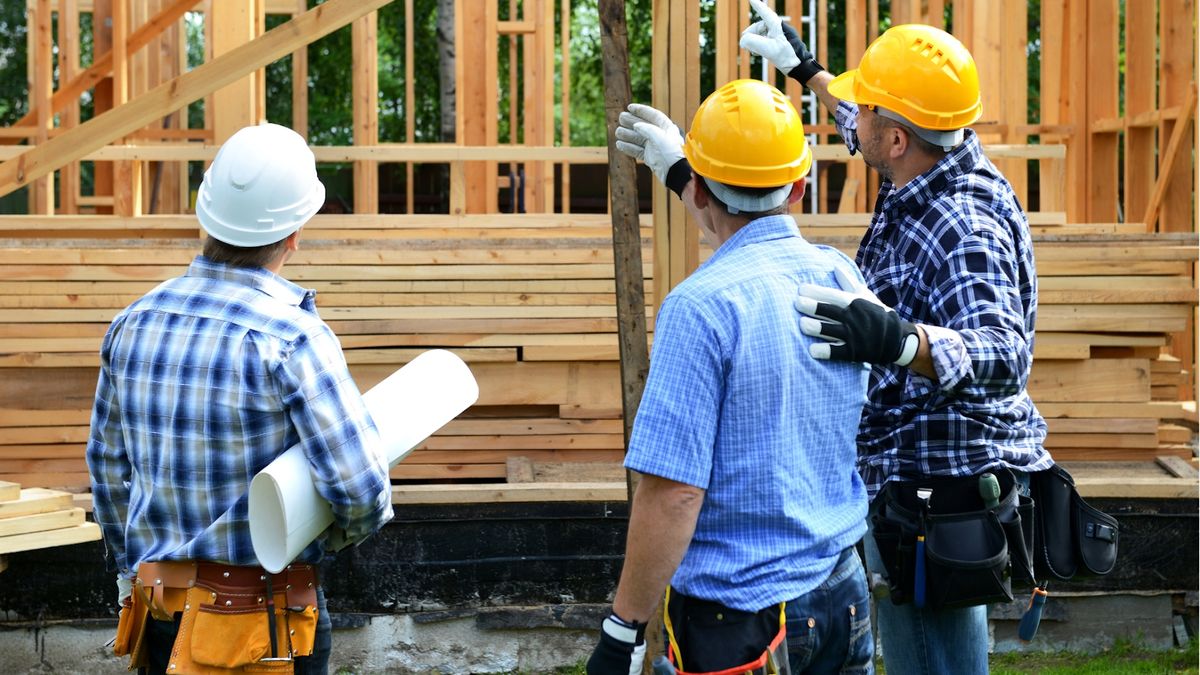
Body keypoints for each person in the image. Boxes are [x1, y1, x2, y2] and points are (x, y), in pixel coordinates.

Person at [740, 3, 1054, 673]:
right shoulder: (924, 157)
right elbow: (871, 122)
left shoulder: (964, 225)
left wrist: (902, 342)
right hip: (905, 484)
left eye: (867, 111)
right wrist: (809, 71)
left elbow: (1005, 352)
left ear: (898, 140)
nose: (854, 122)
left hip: (939, 496)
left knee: (934, 658)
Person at [586, 78, 874, 675]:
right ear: (799, 186)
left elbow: (674, 493)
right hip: (841, 588)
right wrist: (681, 170)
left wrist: (624, 627)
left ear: (696, 186)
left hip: (743, 622)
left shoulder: (701, 308)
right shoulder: (841, 277)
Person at [86, 122, 394, 675]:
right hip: (267, 625)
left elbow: (108, 471)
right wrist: (316, 538)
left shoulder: (131, 324)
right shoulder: (292, 337)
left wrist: (131, 566)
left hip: (160, 611)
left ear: (206, 214)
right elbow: (360, 491)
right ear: (296, 230)